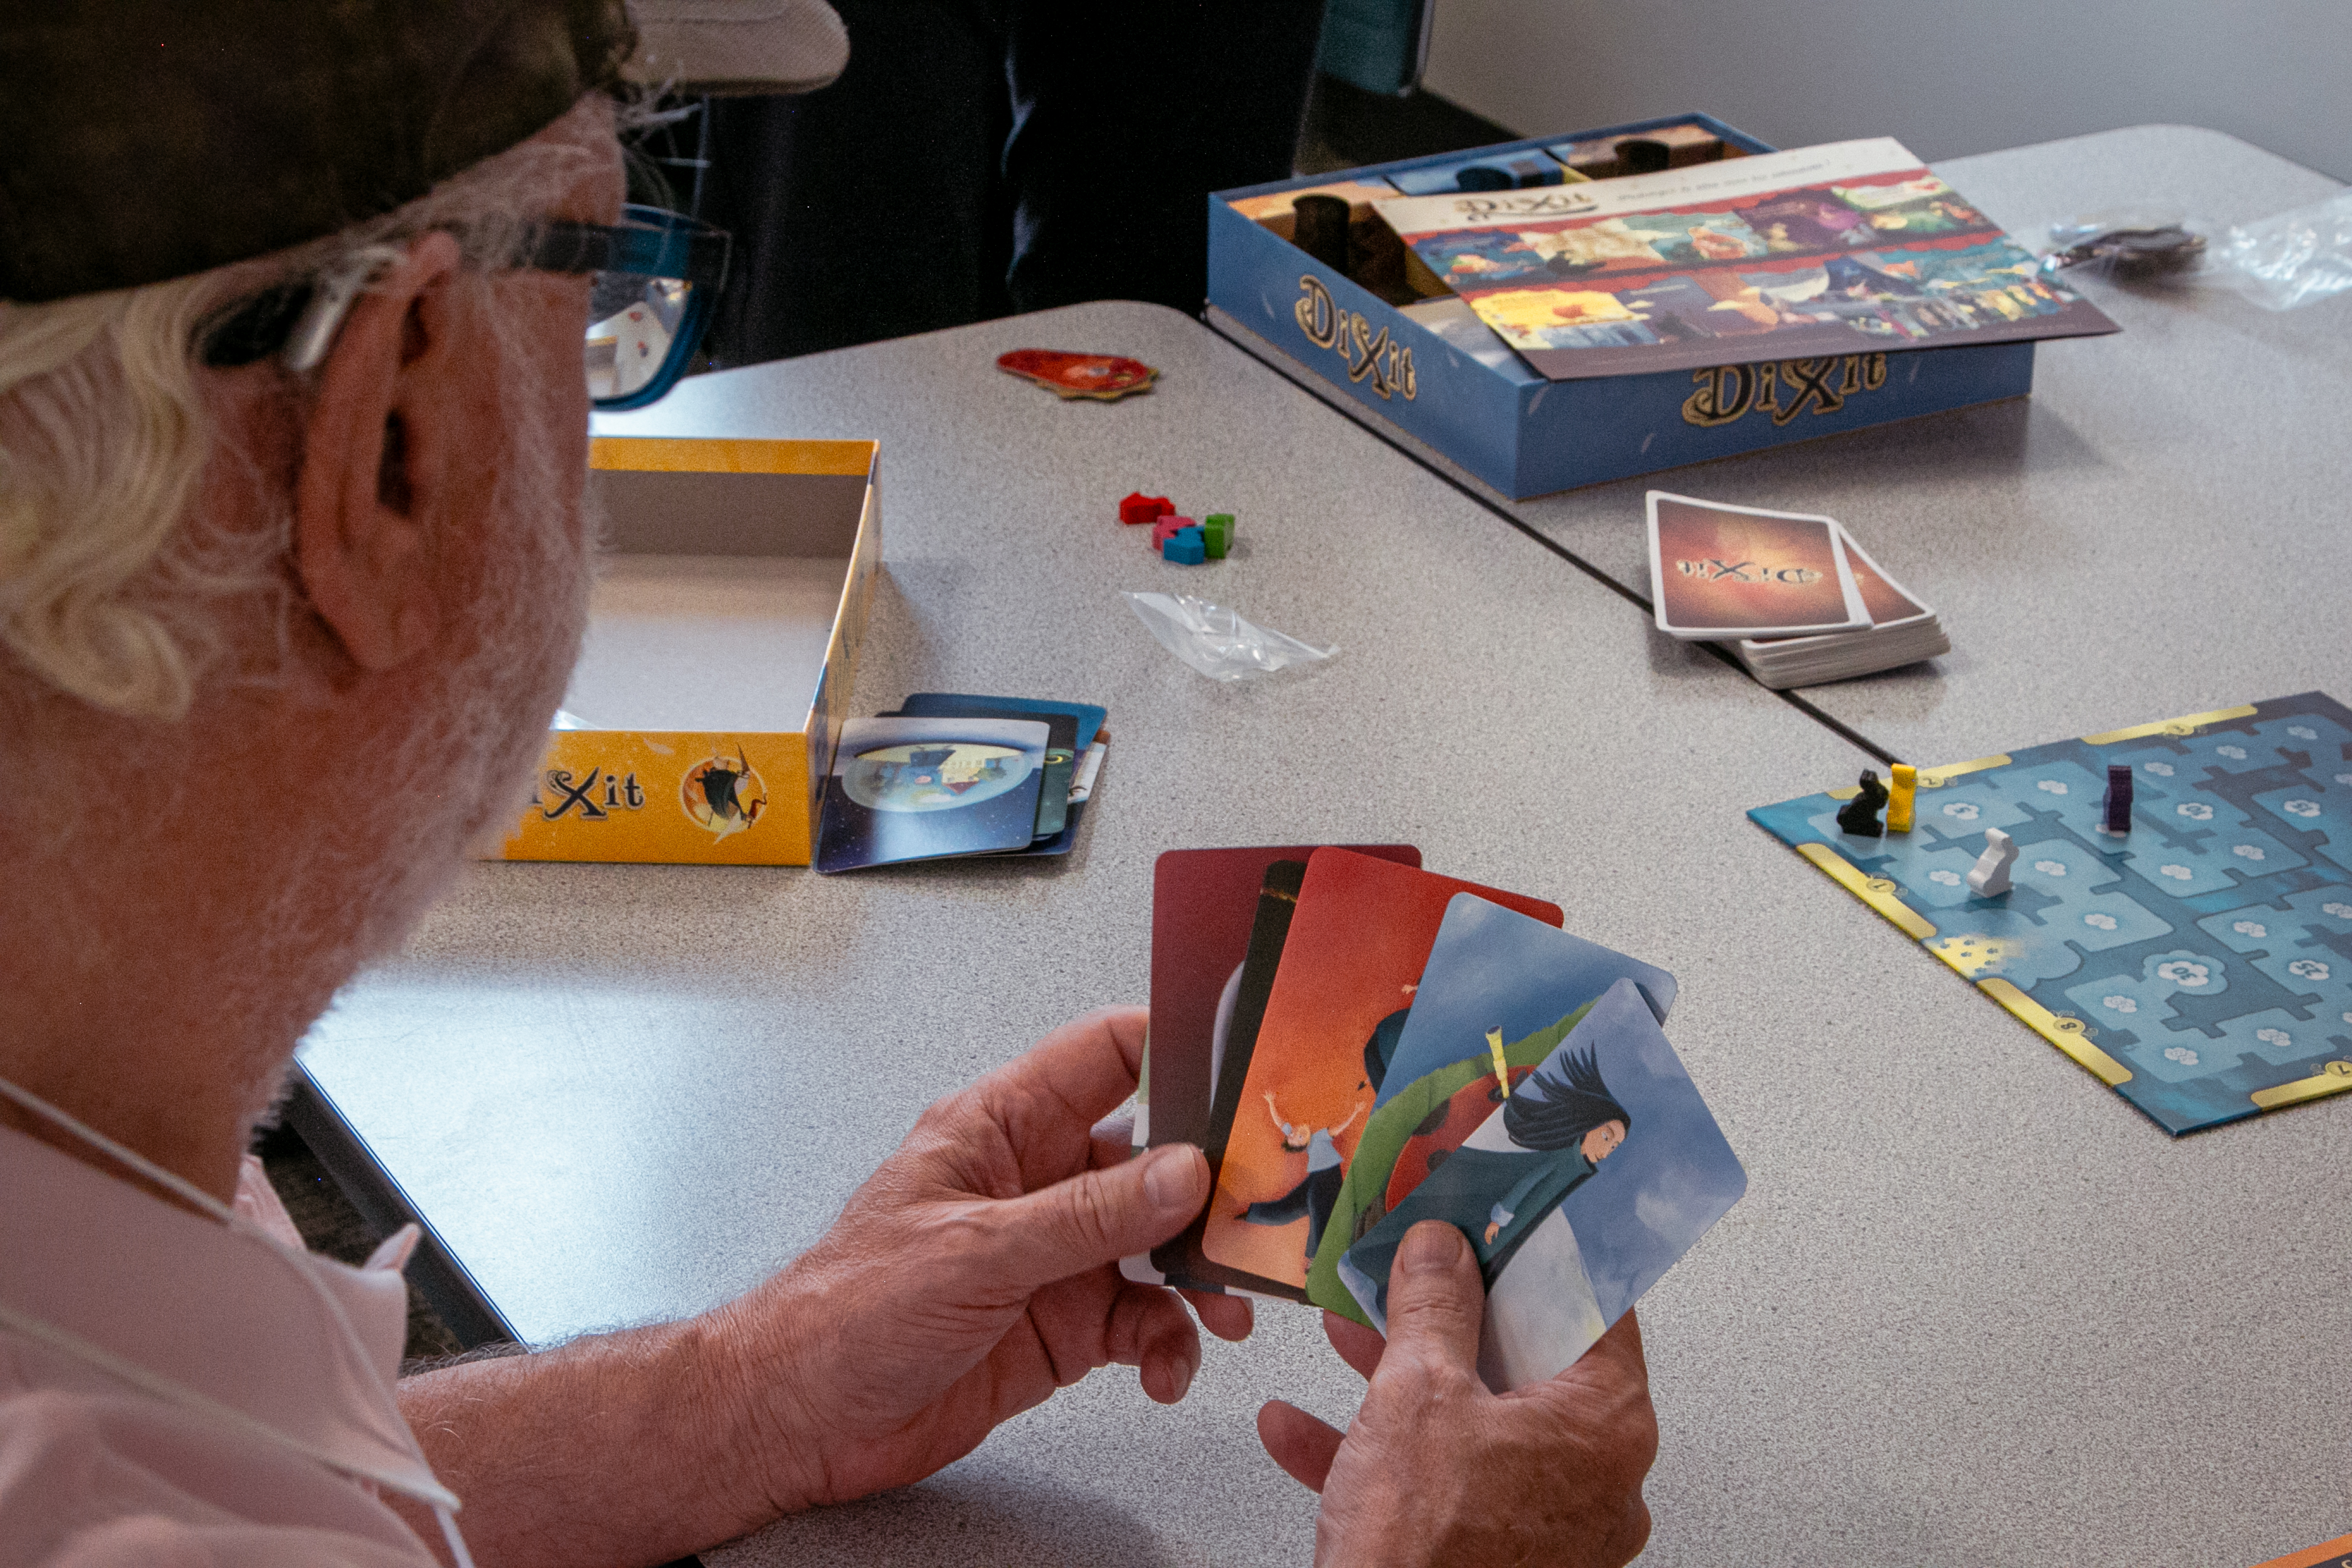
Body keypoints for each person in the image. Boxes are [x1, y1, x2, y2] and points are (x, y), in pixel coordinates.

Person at [0, 5, 1656, 1566]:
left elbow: (249, 1462)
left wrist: (744, 1394)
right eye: (599, 291)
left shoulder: (91, 1162)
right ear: (394, 440)